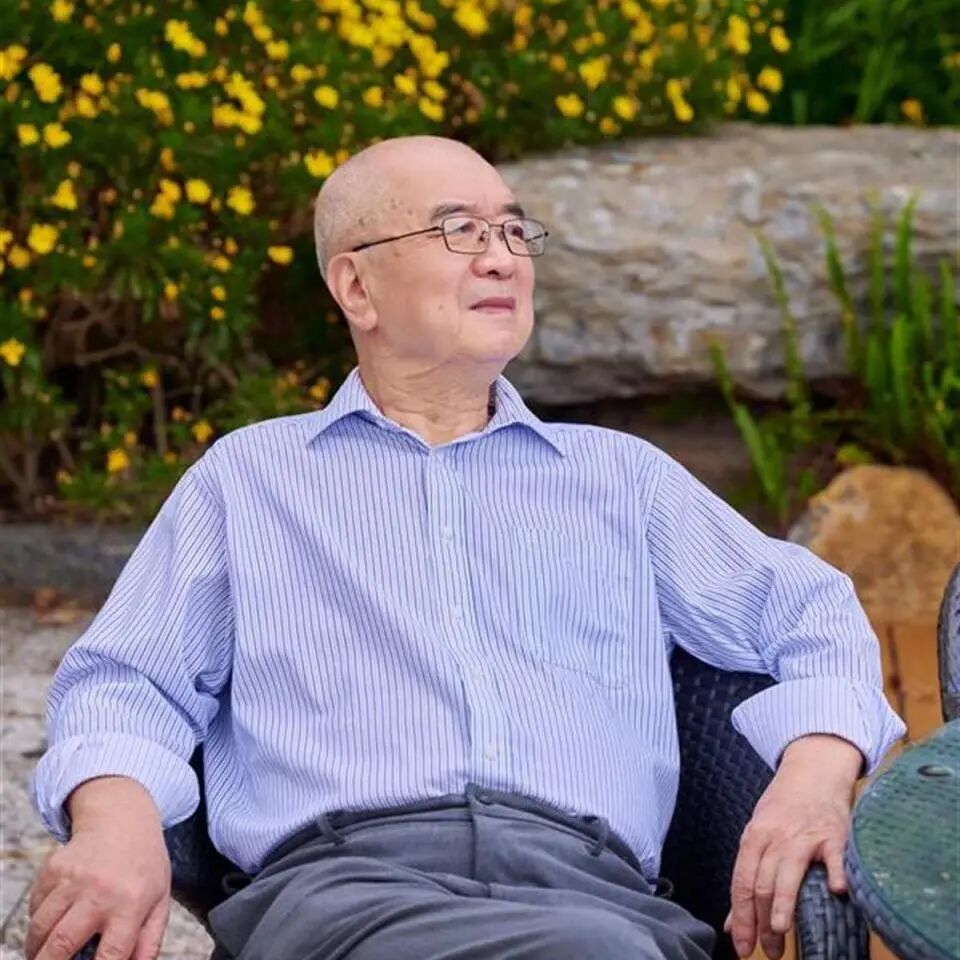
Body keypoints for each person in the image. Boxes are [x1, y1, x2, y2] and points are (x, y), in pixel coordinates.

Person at [26, 135, 905, 960]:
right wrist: (114, 823)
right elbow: (125, 683)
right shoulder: (252, 479)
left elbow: (811, 612)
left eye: (514, 230)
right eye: (460, 231)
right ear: (357, 288)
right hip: (345, 893)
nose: (502, 257)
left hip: (596, 897)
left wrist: (814, 777)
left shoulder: (621, 479)